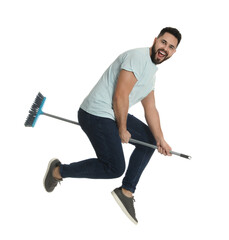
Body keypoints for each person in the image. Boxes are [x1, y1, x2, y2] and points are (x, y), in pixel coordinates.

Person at [43, 27, 182, 224]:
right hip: (95, 113)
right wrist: (122, 129)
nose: (164, 48)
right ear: (155, 40)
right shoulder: (138, 57)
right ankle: (58, 171)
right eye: (163, 42)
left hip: (112, 114)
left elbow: (151, 109)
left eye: (170, 47)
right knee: (115, 167)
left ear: (174, 52)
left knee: (149, 140)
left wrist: (161, 140)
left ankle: (126, 191)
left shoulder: (151, 72)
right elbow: (120, 95)